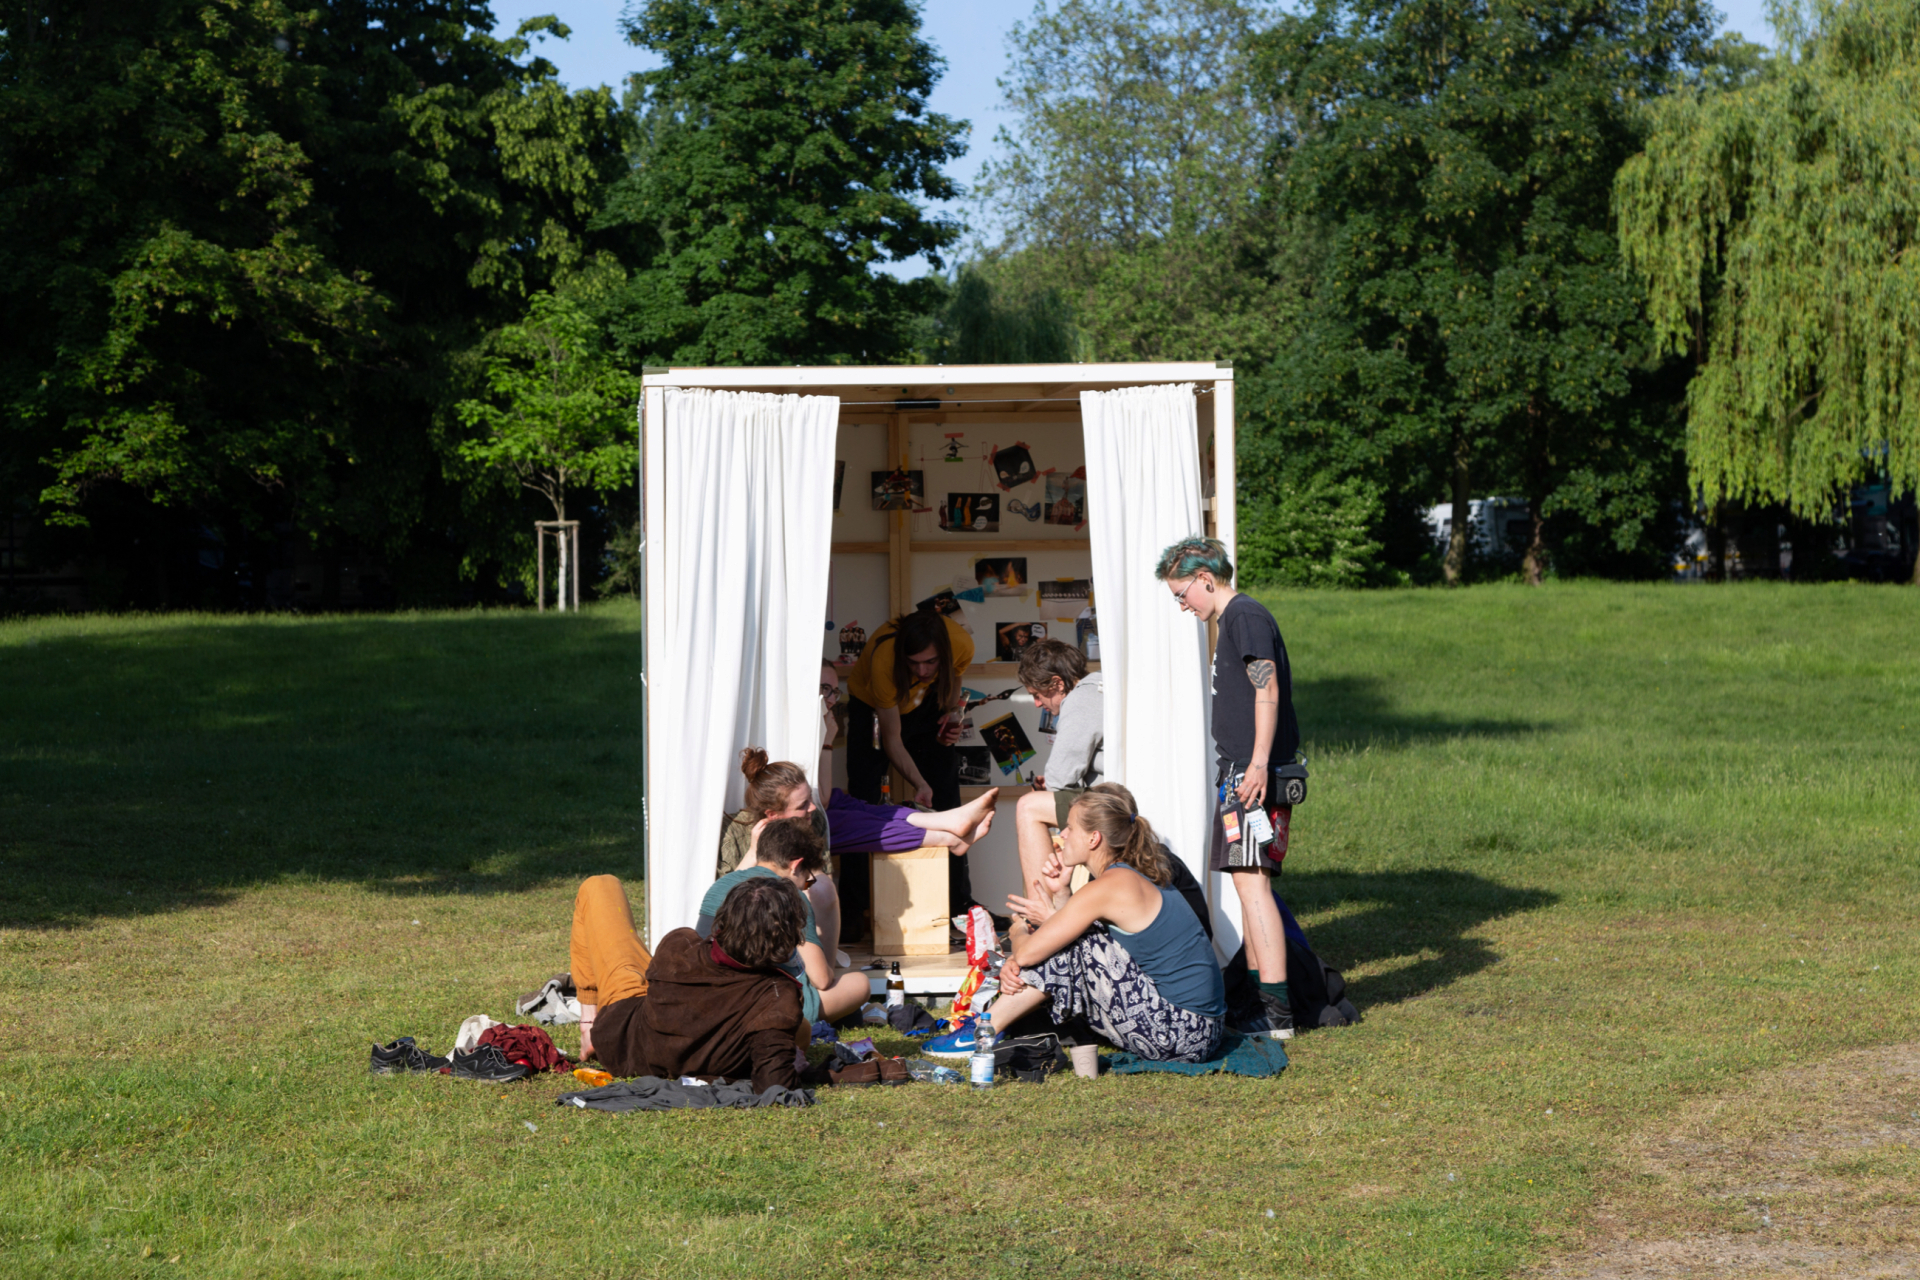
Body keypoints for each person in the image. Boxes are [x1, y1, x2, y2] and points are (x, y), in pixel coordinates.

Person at [1156, 535, 1299, 1038]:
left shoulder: (1245, 616)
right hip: (1239, 775)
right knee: (1245, 884)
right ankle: (1261, 1003)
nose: (1181, 605)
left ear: (1205, 579)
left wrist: (1257, 764)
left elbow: (1268, 686)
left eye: (1181, 594)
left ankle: (1277, 1015)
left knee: (1253, 885)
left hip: (1253, 776)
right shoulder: (1231, 621)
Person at [987, 787, 1226, 1063]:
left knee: (1072, 944)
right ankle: (987, 1026)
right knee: (1073, 941)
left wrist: (1017, 933)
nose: (1062, 835)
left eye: (1069, 828)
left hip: (1180, 1032)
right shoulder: (1129, 874)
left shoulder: (1110, 885)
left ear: (1094, 838)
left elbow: (1030, 953)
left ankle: (979, 1032)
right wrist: (1062, 891)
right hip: (1201, 1031)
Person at [569, 872, 810, 1092]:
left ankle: (589, 1023)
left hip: (623, 1040)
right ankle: (590, 1024)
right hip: (652, 1034)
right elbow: (774, 1084)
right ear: (788, 938)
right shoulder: (776, 999)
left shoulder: (679, 945)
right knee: (802, 1028)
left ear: (725, 917)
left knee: (601, 885)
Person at [844, 610, 979, 912]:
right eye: (914, 662)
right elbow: (893, 740)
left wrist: (952, 712)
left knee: (947, 796)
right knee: (862, 801)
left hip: (926, 701)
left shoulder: (961, 644)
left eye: (931, 662)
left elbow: (955, 674)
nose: (922, 669)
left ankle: (959, 904)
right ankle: (853, 911)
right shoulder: (884, 663)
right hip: (872, 707)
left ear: (943, 652)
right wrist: (919, 783)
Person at [699, 817, 872, 1028]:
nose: (807, 885)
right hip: (764, 1006)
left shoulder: (718, 886)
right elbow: (822, 979)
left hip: (713, 1000)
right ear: (796, 865)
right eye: (808, 879)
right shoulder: (791, 897)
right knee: (860, 983)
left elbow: (701, 948)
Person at [1011, 639, 1103, 896]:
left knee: (1029, 807)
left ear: (1058, 684)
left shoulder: (1081, 699)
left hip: (1110, 802)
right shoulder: (1099, 687)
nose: (1038, 704)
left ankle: (1043, 909)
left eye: (1037, 695)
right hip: (1111, 794)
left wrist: (1050, 788)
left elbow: (1060, 776)